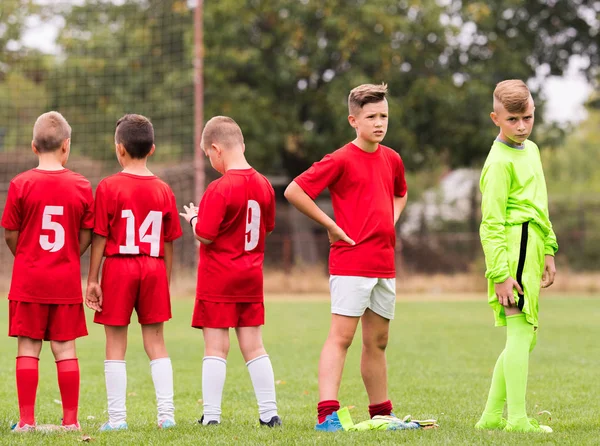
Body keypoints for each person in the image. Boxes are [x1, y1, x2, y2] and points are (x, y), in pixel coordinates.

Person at [284, 83, 408, 431]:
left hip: (384, 263)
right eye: (371, 117)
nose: (379, 123)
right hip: (351, 262)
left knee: (378, 341)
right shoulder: (339, 158)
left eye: (384, 115)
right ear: (354, 120)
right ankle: (327, 415)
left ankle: (381, 413)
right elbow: (294, 190)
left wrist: (390, 219)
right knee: (342, 338)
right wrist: (330, 225)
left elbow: (401, 193)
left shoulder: (393, 159)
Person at [179, 116, 281, 427]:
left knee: (216, 346)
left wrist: (195, 219)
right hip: (251, 276)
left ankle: (211, 417)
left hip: (219, 278)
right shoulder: (264, 184)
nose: (210, 162)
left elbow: (207, 234)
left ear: (216, 148)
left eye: (209, 156)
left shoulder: (220, 187)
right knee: (254, 345)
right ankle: (269, 414)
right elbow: (268, 227)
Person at [86, 114, 182, 430]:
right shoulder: (165, 189)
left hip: (118, 267)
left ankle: (117, 420)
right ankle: (166, 416)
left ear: (120, 149)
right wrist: (165, 280)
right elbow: (169, 242)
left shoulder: (109, 186)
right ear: (151, 149)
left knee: (115, 344)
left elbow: (100, 235)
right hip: (153, 267)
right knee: (156, 343)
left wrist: (92, 279)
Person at [2, 111, 93, 432]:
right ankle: (71, 422)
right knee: (65, 346)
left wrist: (27, 254)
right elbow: (87, 234)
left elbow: (10, 233)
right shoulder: (81, 185)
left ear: (33, 146)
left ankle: (26, 422)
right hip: (65, 279)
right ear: (66, 146)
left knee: (28, 345)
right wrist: (69, 253)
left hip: (28, 278)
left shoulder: (20, 184)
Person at [475, 79, 557, 433]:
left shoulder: (533, 150)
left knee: (527, 336)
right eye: (513, 120)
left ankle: (491, 417)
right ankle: (518, 420)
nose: (521, 126)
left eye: (527, 117)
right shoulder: (498, 163)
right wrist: (500, 273)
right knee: (520, 332)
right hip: (514, 248)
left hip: (534, 245)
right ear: (496, 118)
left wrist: (550, 248)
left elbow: (540, 205)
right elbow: (490, 223)